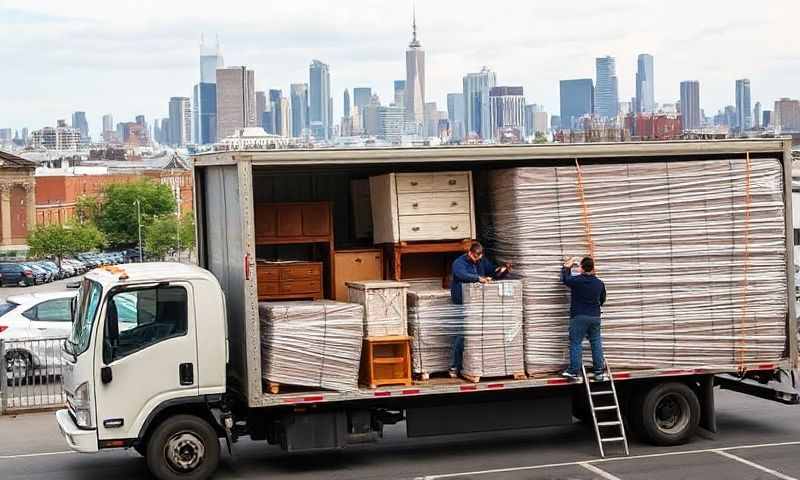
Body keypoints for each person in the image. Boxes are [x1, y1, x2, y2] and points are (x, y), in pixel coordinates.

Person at [448, 241, 511, 377]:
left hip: (479, 305)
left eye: (479, 257)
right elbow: (462, 275)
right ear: (470, 253)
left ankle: (477, 365)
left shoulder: (481, 261)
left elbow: (492, 271)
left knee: (481, 333)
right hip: (462, 304)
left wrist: (502, 271)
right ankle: (454, 366)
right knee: (462, 334)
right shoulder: (459, 263)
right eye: (476, 257)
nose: (477, 260)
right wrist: (478, 278)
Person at [560, 256, 608, 382]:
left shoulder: (577, 281)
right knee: (596, 343)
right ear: (593, 268)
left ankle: (574, 372)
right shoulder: (599, 283)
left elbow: (565, 279)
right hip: (595, 317)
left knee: (576, 343)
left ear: (581, 268)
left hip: (579, 316)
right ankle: (599, 372)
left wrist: (567, 266)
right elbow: (602, 299)